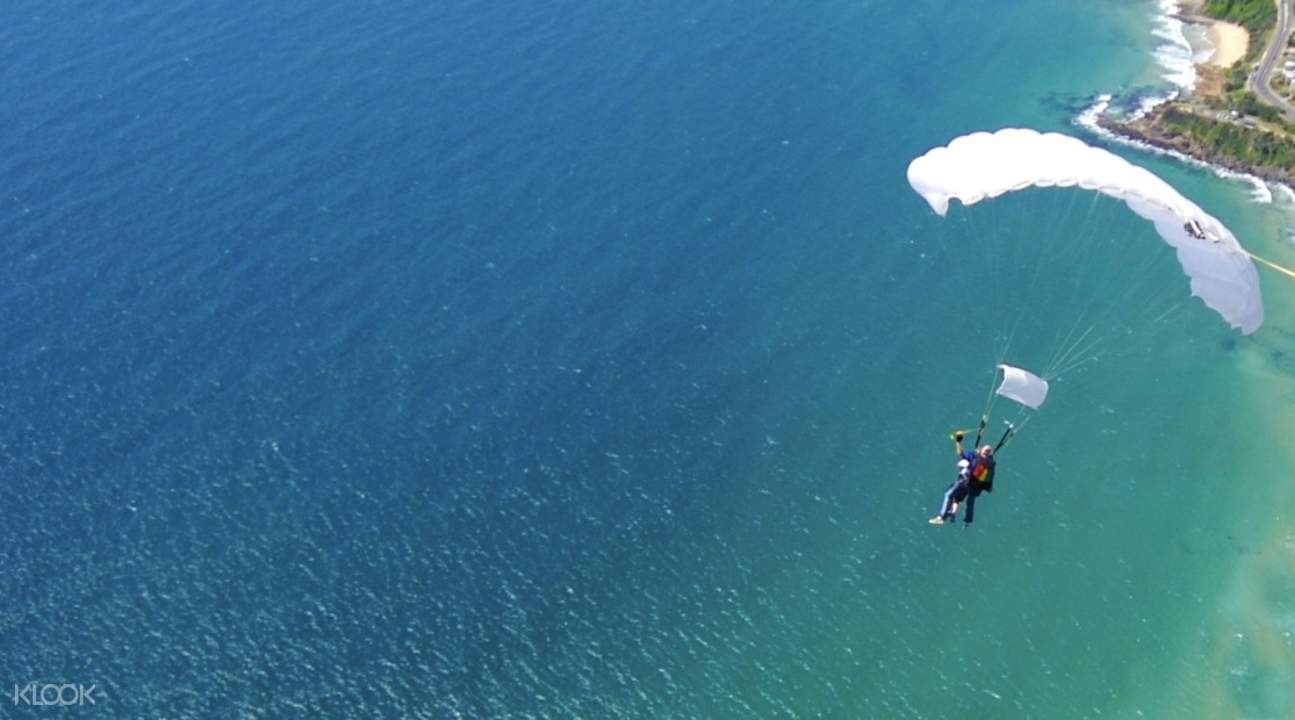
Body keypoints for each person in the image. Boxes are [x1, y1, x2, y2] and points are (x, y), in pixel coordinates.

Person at [930, 431, 996, 526]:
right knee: (968, 502)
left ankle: (942, 517)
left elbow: (960, 454)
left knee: (948, 495)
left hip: (965, 481)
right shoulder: (991, 463)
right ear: (990, 453)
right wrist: (989, 488)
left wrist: (958, 442)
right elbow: (990, 479)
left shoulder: (975, 456)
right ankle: (967, 521)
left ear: (982, 450)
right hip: (975, 487)